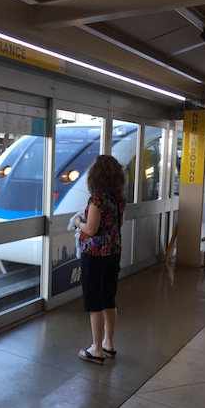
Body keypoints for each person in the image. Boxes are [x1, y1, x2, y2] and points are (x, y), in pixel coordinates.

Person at [74, 154, 126, 364]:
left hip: (94, 255)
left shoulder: (97, 199)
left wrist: (78, 222)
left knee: (94, 301)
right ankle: (108, 343)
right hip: (113, 253)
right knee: (108, 299)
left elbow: (91, 229)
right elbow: (119, 224)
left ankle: (96, 349)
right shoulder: (118, 199)